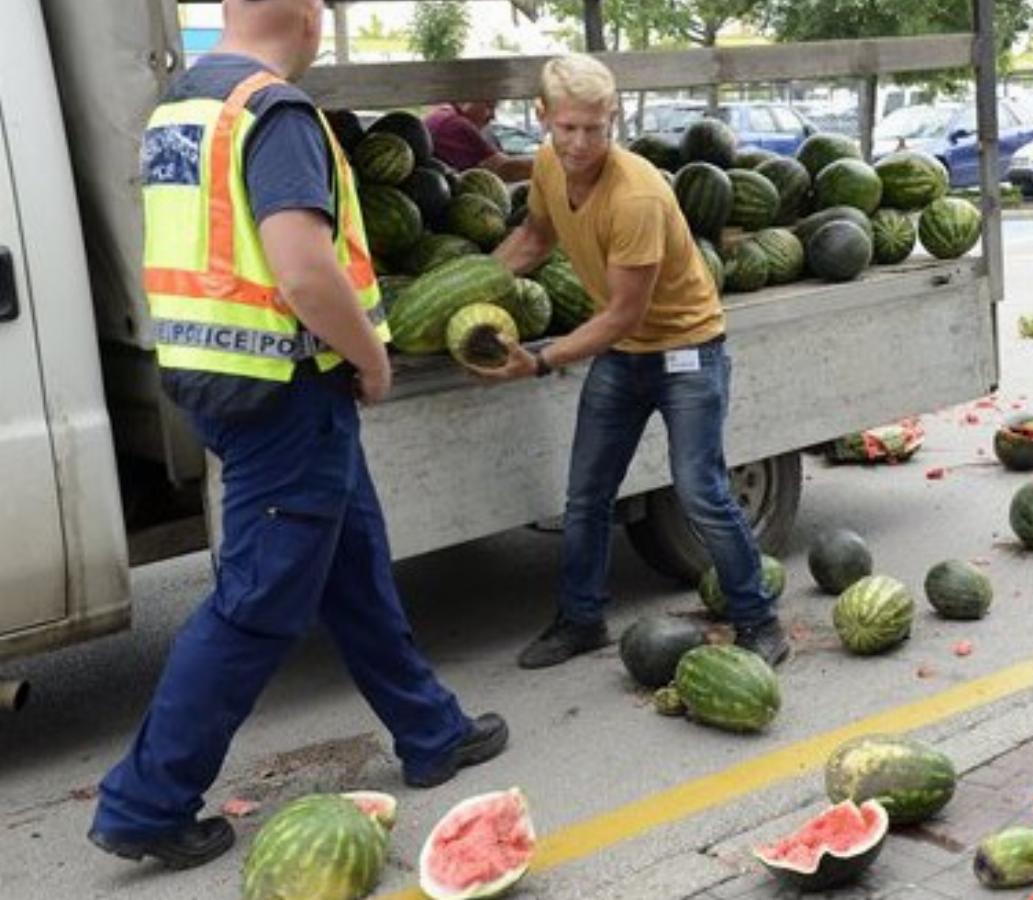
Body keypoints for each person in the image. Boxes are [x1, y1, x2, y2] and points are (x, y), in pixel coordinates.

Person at [90, 0, 507, 870]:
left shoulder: (185, 105)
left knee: (353, 559)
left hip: (218, 376)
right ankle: (148, 800)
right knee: (260, 601)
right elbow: (303, 267)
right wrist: (373, 358)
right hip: (286, 386)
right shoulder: (272, 110)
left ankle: (433, 732)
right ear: (305, 14)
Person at [473, 54, 789, 670]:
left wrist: (539, 362)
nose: (580, 143)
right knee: (586, 496)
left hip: (684, 352)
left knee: (701, 492)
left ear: (612, 118)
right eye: (567, 128)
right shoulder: (546, 165)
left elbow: (622, 313)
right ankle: (581, 618)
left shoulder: (637, 195)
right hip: (623, 355)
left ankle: (758, 619)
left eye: (595, 128)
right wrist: (470, 286)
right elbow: (534, 241)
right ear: (543, 118)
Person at [424, 100, 533, 180]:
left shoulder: (442, 114)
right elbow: (506, 169)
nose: (493, 116)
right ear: (468, 100)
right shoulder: (456, 124)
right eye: (489, 106)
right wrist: (546, 161)